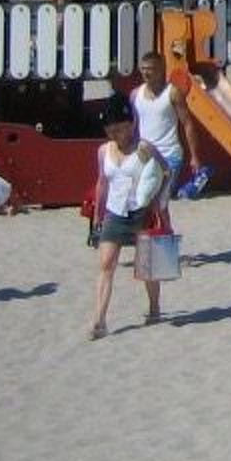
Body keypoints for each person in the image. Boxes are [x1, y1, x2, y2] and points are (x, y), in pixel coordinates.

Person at [87, 95, 169, 338]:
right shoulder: (104, 151)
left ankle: (154, 309)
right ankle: (99, 320)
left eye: (122, 129)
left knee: (147, 266)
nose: (117, 135)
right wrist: (97, 216)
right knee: (106, 265)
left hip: (141, 212)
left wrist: (158, 201)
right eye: (112, 131)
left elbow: (166, 171)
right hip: (115, 212)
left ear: (131, 124)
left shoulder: (142, 149)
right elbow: (102, 183)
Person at [132, 50, 203, 199]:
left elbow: (188, 124)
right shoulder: (135, 94)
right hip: (145, 154)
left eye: (150, 69)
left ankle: (186, 188)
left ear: (160, 69)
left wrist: (194, 157)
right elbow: (132, 126)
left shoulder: (172, 93)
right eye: (143, 69)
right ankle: (184, 189)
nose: (146, 73)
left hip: (169, 155)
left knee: (158, 194)